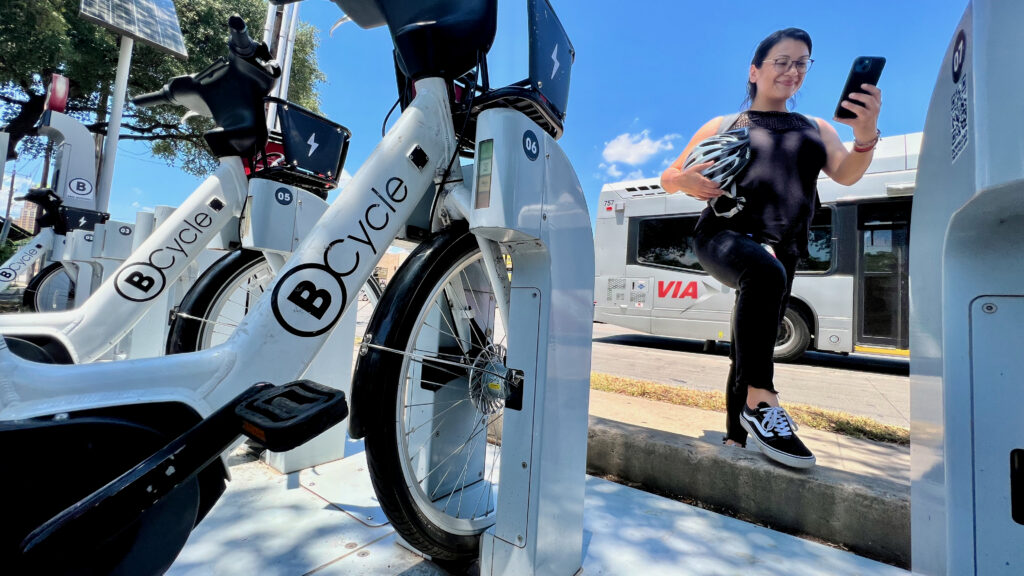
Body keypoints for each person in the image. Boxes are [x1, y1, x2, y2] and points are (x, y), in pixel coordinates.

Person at [659, 28, 881, 468]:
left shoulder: (815, 128)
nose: (792, 70)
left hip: (787, 247)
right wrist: (685, 181)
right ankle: (764, 403)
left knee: (750, 344)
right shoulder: (725, 124)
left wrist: (865, 134)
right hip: (723, 234)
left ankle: (736, 440)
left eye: (802, 63)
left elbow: (848, 173)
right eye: (781, 61)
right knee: (763, 276)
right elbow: (670, 175)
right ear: (755, 70)